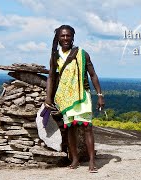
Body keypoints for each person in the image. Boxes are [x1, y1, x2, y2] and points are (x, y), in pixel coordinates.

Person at [45, 25, 105, 173]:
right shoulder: (55, 55)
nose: (65, 38)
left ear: (73, 37)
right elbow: (52, 77)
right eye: (62, 36)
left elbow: (93, 75)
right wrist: (48, 98)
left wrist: (99, 95)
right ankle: (75, 159)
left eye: (68, 36)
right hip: (65, 97)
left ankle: (92, 162)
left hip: (81, 95)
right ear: (58, 38)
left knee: (87, 128)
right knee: (70, 128)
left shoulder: (82, 54)